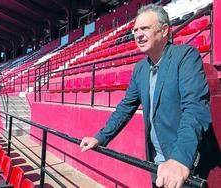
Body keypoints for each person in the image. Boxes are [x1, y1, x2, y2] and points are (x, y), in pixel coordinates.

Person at [80, 4, 220, 188]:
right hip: (156, 163)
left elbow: (195, 108)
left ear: (164, 31)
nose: (138, 34)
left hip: (184, 165)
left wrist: (179, 159)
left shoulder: (186, 56)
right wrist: (100, 137)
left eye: (145, 28)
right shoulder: (140, 68)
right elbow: (125, 107)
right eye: (135, 30)